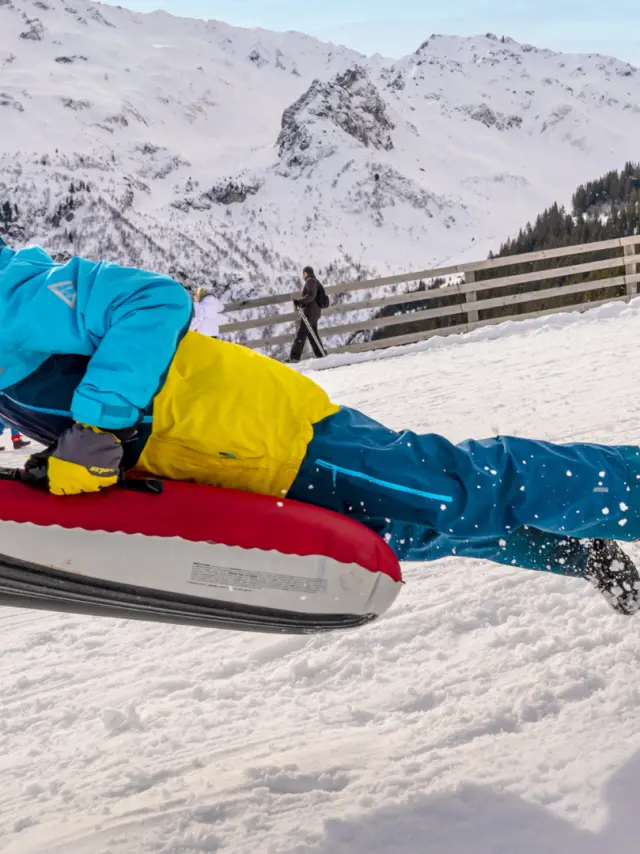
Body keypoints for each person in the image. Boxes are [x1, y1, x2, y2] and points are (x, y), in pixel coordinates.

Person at [1, 239, 639, 616]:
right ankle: (580, 552)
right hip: (220, 464)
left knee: (461, 490)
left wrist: (93, 426)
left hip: (264, 432)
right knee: (412, 533)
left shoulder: (11, 296)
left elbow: (154, 300)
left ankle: (626, 492)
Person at [288, 266, 327, 362]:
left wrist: (300, 302)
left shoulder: (310, 281)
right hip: (315, 312)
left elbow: (311, 296)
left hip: (310, 313)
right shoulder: (315, 281)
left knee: (301, 334)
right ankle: (321, 355)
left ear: (305, 273)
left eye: (303, 273)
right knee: (312, 335)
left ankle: (294, 358)